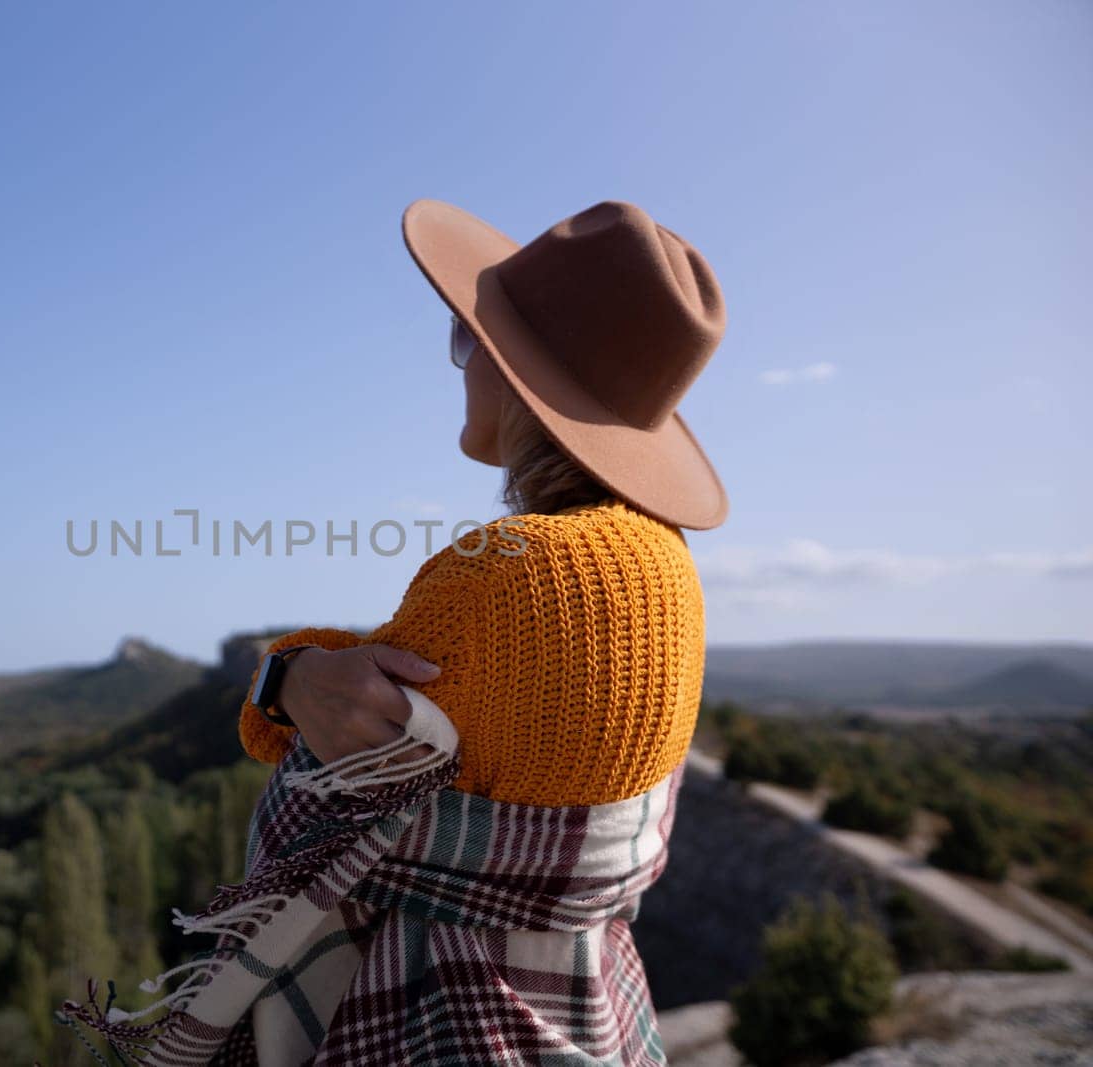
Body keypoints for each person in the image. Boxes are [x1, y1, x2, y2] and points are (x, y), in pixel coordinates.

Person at [57, 197, 729, 1066]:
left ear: (517, 369)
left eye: (465, 338)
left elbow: (318, 793)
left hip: (441, 1019)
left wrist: (283, 677)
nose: (456, 363)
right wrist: (297, 671)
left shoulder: (505, 570)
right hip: (590, 1010)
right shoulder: (667, 571)